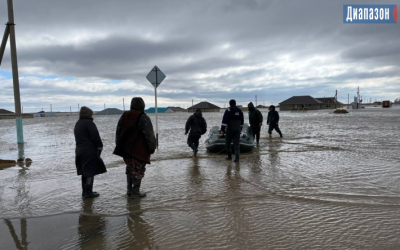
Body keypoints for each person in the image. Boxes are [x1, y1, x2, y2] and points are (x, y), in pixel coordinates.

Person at [113, 97, 157, 198]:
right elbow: (149, 134)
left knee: (130, 169)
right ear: (142, 105)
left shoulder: (124, 115)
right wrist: (152, 148)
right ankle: (135, 192)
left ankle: (129, 190)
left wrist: (119, 146)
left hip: (126, 150)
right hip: (138, 150)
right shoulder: (142, 117)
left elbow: (118, 132)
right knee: (138, 170)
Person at [74, 106, 107, 199]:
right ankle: (89, 193)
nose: (92, 116)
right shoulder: (89, 123)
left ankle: (84, 192)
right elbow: (95, 137)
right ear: (88, 115)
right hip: (89, 150)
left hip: (79, 150)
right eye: (91, 114)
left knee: (84, 172)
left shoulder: (78, 123)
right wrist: (100, 146)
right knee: (90, 172)